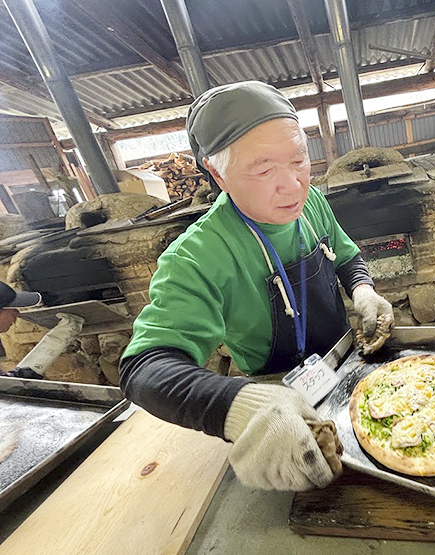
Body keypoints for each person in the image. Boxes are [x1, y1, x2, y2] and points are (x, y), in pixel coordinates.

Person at [119, 81, 394, 492]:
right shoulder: (197, 257)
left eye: (299, 160)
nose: (292, 185)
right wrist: (241, 407)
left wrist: (363, 291)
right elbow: (144, 368)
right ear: (217, 173)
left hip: (349, 370)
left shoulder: (311, 202)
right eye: (264, 170)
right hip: (280, 405)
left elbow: (345, 255)